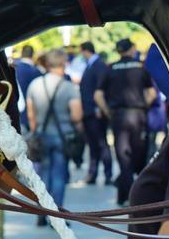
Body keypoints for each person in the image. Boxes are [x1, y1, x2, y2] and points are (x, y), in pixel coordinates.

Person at [97, 38, 156, 205]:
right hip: (138, 116)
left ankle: (125, 194)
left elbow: (98, 95)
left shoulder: (110, 68)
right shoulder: (140, 67)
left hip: (119, 116)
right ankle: (136, 194)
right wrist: (144, 106)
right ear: (132, 49)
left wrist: (108, 111)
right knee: (139, 155)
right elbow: (151, 93)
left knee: (123, 156)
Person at [26, 47, 83, 219]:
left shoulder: (35, 85)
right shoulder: (69, 87)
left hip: (41, 135)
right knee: (59, 175)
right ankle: (56, 216)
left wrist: (36, 130)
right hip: (63, 137)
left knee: (43, 175)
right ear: (63, 64)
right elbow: (77, 115)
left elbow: (31, 114)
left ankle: (42, 213)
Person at [78, 41, 113, 186]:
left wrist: (99, 109)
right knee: (93, 145)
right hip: (89, 112)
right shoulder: (92, 65)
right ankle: (93, 174)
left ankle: (107, 174)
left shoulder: (98, 65)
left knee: (101, 144)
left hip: (95, 112)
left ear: (85, 51)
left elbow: (101, 87)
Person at [13, 44, 40, 131]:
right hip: (30, 114)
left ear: (21, 53)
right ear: (32, 54)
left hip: (15, 113)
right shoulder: (35, 71)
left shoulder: (13, 68)